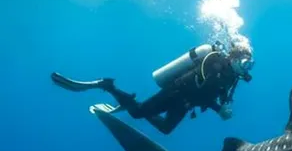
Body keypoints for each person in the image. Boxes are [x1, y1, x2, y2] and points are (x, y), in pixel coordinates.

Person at [51, 42, 254, 134]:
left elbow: (209, 95)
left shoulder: (230, 78)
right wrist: (219, 110)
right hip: (176, 93)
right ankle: (108, 86)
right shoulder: (215, 63)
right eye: (244, 62)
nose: (246, 68)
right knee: (138, 114)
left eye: (249, 65)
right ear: (234, 58)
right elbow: (203, 92)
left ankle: (133, 103)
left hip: (186, 103)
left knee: (165, 129)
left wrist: (221, 107)